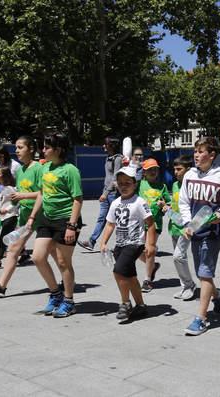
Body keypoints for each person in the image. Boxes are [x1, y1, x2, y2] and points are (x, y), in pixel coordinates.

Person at [179, 137, 220, 336]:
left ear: (212, 155)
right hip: (194, 231)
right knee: (202, 273)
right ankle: (217, 294)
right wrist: (188, 223)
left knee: (205, 273)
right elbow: (184, 202)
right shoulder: (189, 175)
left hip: (213, 233)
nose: (196, 155)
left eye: (201, 151)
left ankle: (201, 319)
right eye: (195, 151)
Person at [0, 136, 47, 295]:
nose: (16, 151)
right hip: (25, 217)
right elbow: (17, 193)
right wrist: (6, 198)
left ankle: (65, 284)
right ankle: (1, 286)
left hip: (42, 216)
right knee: (13, 249)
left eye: (20, 147)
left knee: (56, 255)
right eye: (16, 148)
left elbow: (43, 193)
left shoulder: (38, 168)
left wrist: (22, 196)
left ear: (31, 149)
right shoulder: (21, 170)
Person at [28, 132, 83, 317]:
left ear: (58, 150)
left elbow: (77, 199)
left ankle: (68, 301)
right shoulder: (45, 168)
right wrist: (32, 216)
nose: (43, 150)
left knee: (62, 262)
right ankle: (55, 293)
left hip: (66, 219)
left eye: (46, 147)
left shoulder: (70, 170)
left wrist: (71, 226)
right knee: (37, 257)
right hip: (47, 218)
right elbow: (42, 194)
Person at [99, 166, 155, 321]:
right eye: (120, 183)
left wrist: (150, 244)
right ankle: (141, 306)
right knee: (130, 277)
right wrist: (103, 242)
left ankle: (125, 303)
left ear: (134, 184)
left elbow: (150, 223)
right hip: (120, 244)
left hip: (135, 243)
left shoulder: (139, 202)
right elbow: (110, 224)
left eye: (127, 183)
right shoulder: (115, 202)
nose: (123, 186)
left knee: (118, 271)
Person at [79, 137, 122, 251]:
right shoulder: (108, 158)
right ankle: (91, 242)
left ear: (111, 146)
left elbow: (115, 178)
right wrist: (104, 192)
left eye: (105, 144)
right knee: (102, 218)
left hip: (113, 194)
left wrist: (106, 193)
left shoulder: (118, 159)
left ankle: (124, 243)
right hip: (107, 192)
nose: (103, 146)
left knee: (117, 220)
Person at [137, 158, 170, 292]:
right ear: (144, 172)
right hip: (139, 223)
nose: (153, 172)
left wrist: (164, 206)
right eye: (150, 169)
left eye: (155, 169)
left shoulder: (162, 186)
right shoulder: (139, 184)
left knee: (149, 251)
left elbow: (168, 203)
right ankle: (153, 266)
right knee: (138, 251)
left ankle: (147, 280)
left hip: (155, 224)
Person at [169, 155, 195, 301]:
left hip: (186, 228)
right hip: (173, 226)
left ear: (188, 170)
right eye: (174, 169)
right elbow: (175, 204)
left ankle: (189, 285)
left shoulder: (192, 186)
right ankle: (185, 286)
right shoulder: (174, 185)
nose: (176, 172)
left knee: (178, 256)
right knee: (180, 258)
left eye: (179, 169)